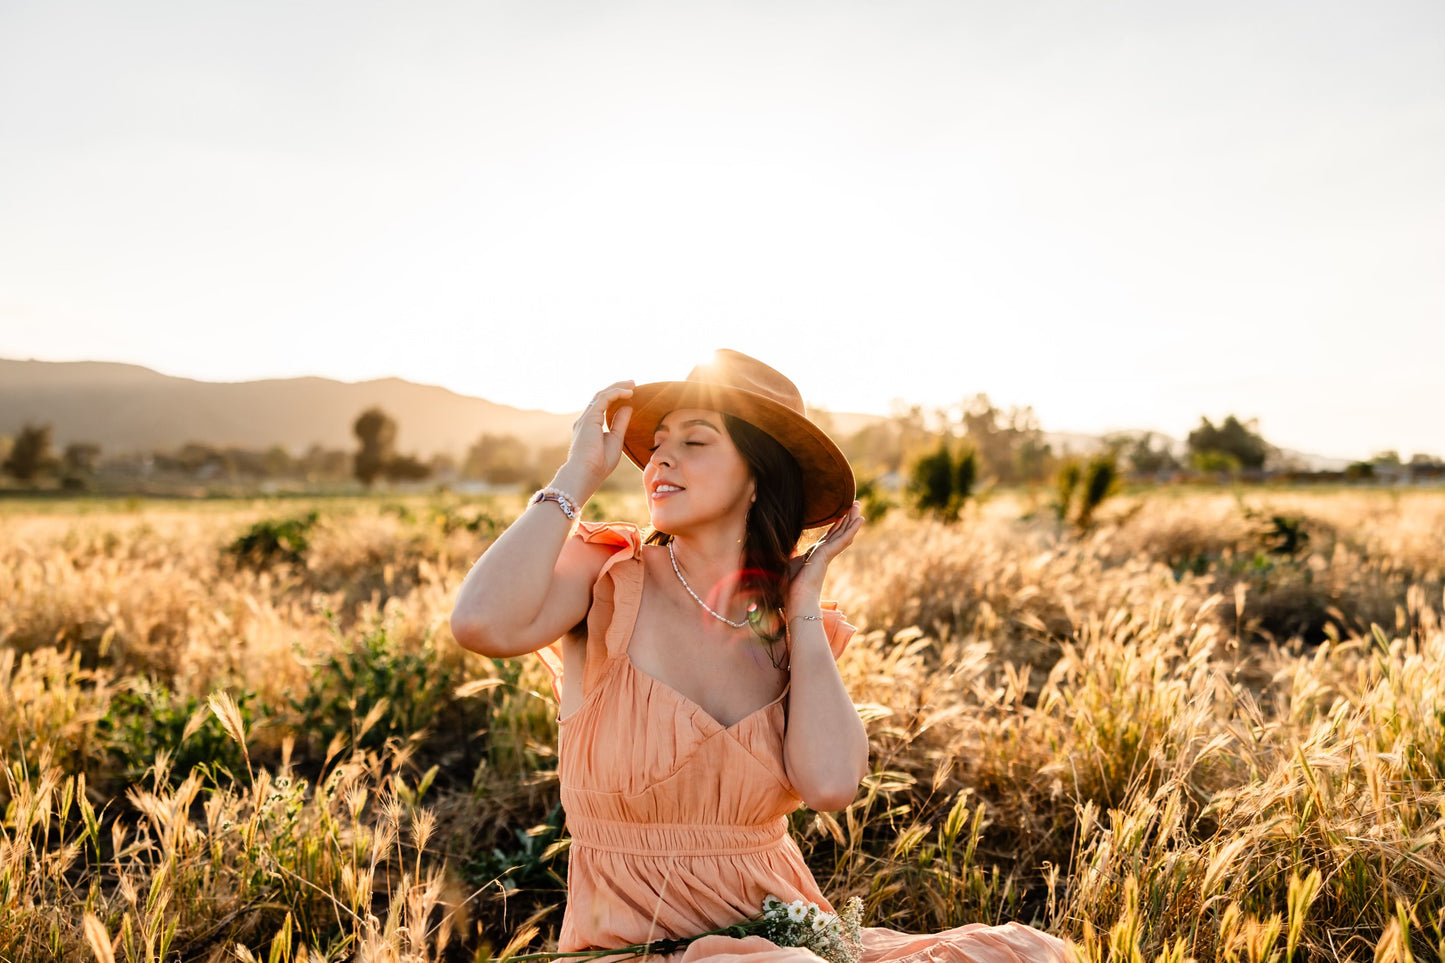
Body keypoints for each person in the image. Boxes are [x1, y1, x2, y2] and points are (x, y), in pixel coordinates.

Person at [451, 350, 1068, 963]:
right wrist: (577, 474)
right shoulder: (606, 577)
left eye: (696, 441)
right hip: (633, 945)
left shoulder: (790, 626)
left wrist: (802, 605)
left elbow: (829, 786)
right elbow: (480, 622)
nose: (662, 457)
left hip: (790, 934)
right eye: (660, 442)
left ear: (758, 477)